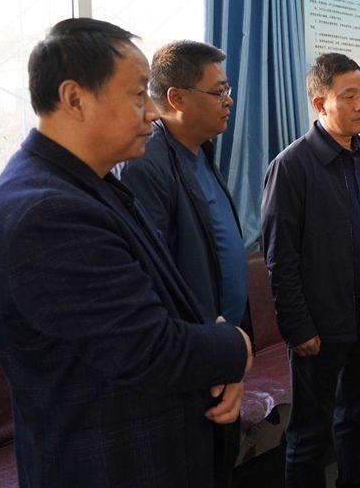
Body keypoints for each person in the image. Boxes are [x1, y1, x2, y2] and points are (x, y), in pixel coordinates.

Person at [0, 18, 253, 488]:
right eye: (138, 94)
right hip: (113, 465)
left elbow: (159, 296)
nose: (152, 112)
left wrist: (213, 352)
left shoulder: (95, 183)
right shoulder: (47, 212)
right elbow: (147, 349)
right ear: (74, 98)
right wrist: (235, 347)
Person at [261, 52, 360, 488]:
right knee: (309, 432)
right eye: (349, 96)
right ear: (320, 104)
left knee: (357, 415)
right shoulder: (292, 166)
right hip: (320, 323)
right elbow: (280, 257)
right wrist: (297, 327)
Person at [119, 40, 249, 488]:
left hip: (220, 353)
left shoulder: (202, 153)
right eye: (219, 91)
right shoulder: (148, 165)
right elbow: (155, 280)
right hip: (192, 364)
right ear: (176, 98)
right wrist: (215, 352)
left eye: (228, 90)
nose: (229, 100)